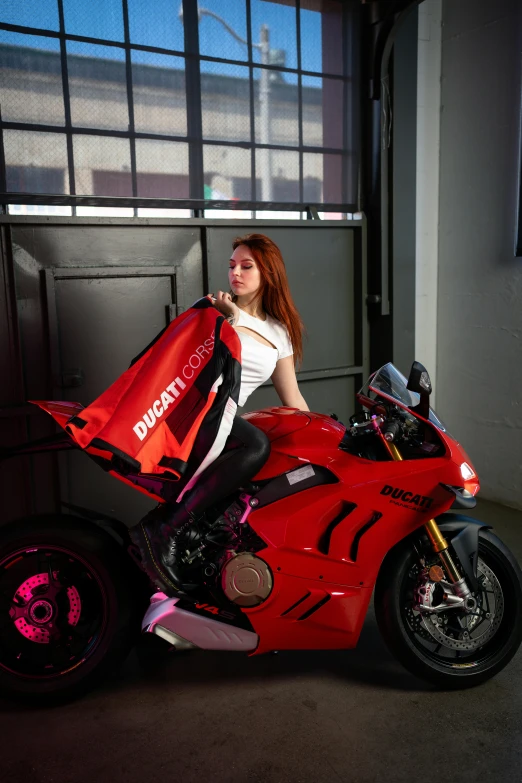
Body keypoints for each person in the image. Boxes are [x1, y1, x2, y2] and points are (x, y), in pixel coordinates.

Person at [131, 233, 309, 592]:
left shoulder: (280, 332)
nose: (236, 274)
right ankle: (167, 529)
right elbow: (191, 365)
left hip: (222, 419)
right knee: (257, 445)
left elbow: (293, 399)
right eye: (232, 266)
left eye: (247, 266)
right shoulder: (213, 309)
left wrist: (329, 430)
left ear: (268, 274)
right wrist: (229, 318)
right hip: (194, 412)